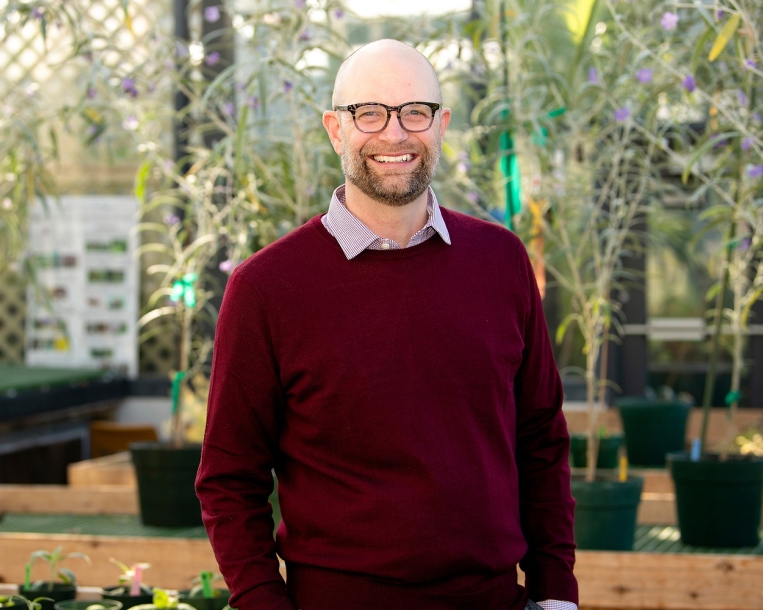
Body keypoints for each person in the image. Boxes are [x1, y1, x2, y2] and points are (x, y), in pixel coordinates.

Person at [195, 39, 577, 610]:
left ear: (441, 124)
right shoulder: (266, 288)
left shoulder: (501, 262)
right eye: (368, 113)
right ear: (334, 129)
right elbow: (229, 478)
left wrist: (555, 595)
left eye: (414, 112)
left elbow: (541, 437)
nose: (394, 134)